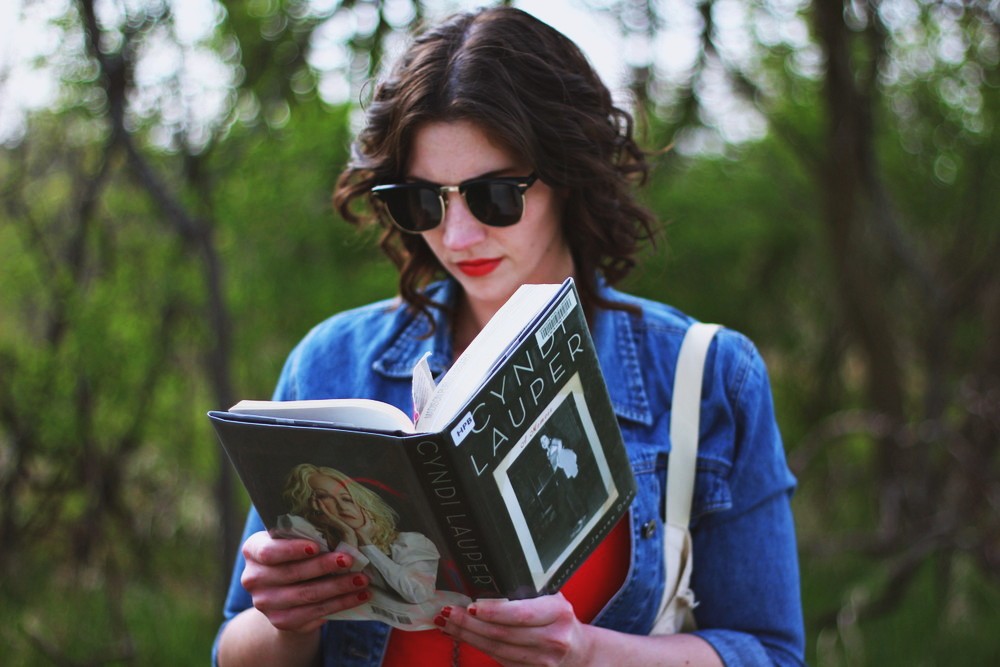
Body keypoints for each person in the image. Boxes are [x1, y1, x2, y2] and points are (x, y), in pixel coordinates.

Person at [214, 6, 805, 667]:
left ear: (567, 175)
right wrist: (288, 623)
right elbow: (234, 648)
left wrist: (587, 652)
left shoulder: (708, 376)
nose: (458, 237)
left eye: (494, 196)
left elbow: (770, 652)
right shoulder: (331, 364)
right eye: (423, 201)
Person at [275, 463, 443, 606]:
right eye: (324, 498)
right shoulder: (308, 536)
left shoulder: (411, 542)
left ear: (364, 504)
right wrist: (348, 535)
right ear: (312, 508)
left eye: (347, 499)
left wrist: (367, 544)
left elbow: (418, 594)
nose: (341, 506)